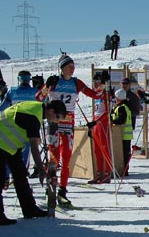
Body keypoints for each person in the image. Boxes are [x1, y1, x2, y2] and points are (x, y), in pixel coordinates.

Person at [0, 99, 67, 225]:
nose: (57, 121)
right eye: (57, 117)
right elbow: (34, 147)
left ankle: (30, 209)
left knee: (20, 175)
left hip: (10, 144)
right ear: (51, 111)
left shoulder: (37, 110)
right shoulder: (33, 117)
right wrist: (41, 170)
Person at [39, 54, 103, 206]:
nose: (72, 69)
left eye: (73, 66)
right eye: (69, 66)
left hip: (68, 122)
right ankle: (50, 188)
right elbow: (38, 98)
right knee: (54, 158)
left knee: (67, 158)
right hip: (54, 122)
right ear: (62, 68)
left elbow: (95, 95)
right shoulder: (55, 81)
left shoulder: (76, 82)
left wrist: (102, 85)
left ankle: (62, 190)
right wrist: (46, 88)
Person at [87, 72, 113, 184]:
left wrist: (96, 121)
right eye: (93, 82)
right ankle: (99, 173)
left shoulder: (106, 93)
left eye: (96, 82)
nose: (94, 84)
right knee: (97, 149)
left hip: (103, 123)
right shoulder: (97, 94)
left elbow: (108, 111)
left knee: (104, 148)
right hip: (97, 122)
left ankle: (107, 173)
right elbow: (97, 110)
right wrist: (92, 125)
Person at [110, 88, 133, 176]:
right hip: (123, 134)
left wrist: (112, 121)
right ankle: (124, 169)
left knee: (124, 153)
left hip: (123, 134)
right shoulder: (121, 106)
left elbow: (121, 120)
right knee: (124, 153)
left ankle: (124, 170)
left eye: (116, 97)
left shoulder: (122, 108)